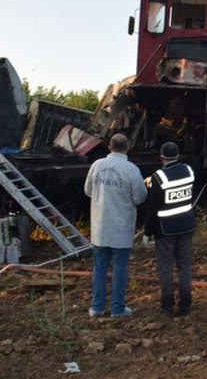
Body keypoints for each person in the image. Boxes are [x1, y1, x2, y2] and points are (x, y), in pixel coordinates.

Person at [84, 133, 147, 318]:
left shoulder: (97, 165)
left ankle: (97, 307)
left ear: (109, 147)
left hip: (100, 227)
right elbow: (140, 197)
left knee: (100, 266)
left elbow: (88, 190)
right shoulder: (131, 170)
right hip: (121, 227)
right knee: (120, 267)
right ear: (127, 147)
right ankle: (117, 309)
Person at [144, 142, 196, 316]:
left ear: (161, 157)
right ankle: (186, 304)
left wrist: (148, 232)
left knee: (166, 268)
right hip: (187, 226)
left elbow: (152, 207)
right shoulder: (189, 171)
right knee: (185, 267)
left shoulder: (159, 177)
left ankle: (167, 305)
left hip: (165, 230)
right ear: (178, 155)